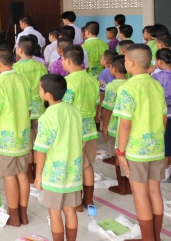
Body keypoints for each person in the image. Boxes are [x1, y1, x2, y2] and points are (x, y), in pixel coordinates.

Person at [113, 44, 167, 241]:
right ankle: (155, 237)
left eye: (125, 60)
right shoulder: (156, 85)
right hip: (156, 147)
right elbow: (163, 119)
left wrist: (120, 152)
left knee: (140, 194)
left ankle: (147, 239)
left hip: (135, 150)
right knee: (155, 191)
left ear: (132, 63)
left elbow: (125, 125)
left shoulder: (127, 88)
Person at [0, 47, 31, 227]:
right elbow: (29, 109)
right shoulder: (23, 80)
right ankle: (24, 215)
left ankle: (15, 217)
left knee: (9, 176)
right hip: (23, 136)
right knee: (22, 175)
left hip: (5, 139)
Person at [33, 74, 83, 241]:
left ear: (48, 95)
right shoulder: (74, 111)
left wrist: (38, 175)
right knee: (70, 210)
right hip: (73, 172)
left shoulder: (47, 117)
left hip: (54, 174)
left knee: (54, 212)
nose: (38, 92)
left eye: (39, 89)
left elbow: (41, 150)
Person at [61, 45, 100, 210]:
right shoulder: (92, 79)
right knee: (87, 164)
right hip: (90, 127)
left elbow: (65, 107)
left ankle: (76, 202)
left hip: (74, 129)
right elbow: (97, 103)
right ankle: (89, 200)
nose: (62, 62)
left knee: (74, 165)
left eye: (62, 59)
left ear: (68, 60)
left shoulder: (68, 82)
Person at [13, 36, 48, 184]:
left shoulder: (16, 68)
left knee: (27, 145)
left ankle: (29, 175)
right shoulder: (41, 66)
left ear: (20, 50)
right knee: (38, 143)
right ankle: (37, 172)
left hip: (24, 111)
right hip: (40, 110)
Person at [101, 56, 130, 195]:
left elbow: (108, 109)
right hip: (129, 127)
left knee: (118, 157)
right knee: (128, 157)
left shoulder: (111, 86)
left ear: (115, 69)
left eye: (111, 67)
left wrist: (104, 126)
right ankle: (129, 186)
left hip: (115, 127)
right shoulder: (131, 83)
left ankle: (122, 187)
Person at [152, 49, 171, 183]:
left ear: (159, 61)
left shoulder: (157, 77)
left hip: (164, 115)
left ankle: (165, 172)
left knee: (165, 144)